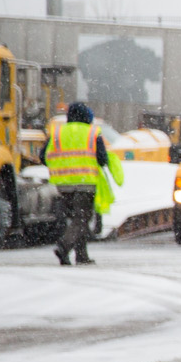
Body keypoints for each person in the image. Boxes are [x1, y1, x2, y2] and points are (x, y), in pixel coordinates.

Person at [43, 100, 118, 266]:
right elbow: (102, 158)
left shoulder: (57, 133)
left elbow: (43, 156)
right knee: (82, 218)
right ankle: (64, 246)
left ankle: (81, 255)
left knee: (76, 219)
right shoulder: (92, 133)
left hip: (63, 184)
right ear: (87, 117)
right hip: (85, 183)